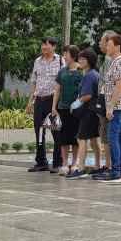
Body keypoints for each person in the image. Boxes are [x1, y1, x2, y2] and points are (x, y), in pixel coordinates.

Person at [25, 37, 62, 172]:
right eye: (42, 45)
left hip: (53, 100)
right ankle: (41, 162)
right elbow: (34, 82)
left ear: (53, 47)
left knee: (56, 131)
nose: (43, 47)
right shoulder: (37, 61)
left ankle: (58, 163)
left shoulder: (60, 60)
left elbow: (62, 81)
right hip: (39, 100)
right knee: (39, 131)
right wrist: (30, 101)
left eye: (46, 45)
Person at [98, 34, 121, 183]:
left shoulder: (118, 62)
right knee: (119, 138)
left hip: (117, 106)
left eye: (109, 45)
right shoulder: (117, 61)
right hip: (118, 105)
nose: (107, 47)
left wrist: (110, 106)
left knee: (113, 138)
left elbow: (119, 86)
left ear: (117, 46)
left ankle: (116, 170)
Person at [67, 48, 102, 180]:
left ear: (89, 61)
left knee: (82, 139)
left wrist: (76, 102)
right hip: (94, 112)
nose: (80, 61)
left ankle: (80, 168)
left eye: (83, 59)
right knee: (93, 140)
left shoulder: (88, 76)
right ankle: (97, 166)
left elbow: (87, 95)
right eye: (79, 58)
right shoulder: (94, 74)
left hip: (88, 112)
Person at [53, 45, 82, 175]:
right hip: (63, 108)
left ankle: (75, 163)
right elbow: (57, 89)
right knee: (63, 138)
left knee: (75, 138)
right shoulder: (62, 71)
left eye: (66, 54)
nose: (64, 57)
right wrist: (54, 107)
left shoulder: (81, 71)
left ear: (73, 56)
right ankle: (65, 164)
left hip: (76, 110)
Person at [92, 30, 116, 178]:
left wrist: (108, 104)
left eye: (102, 41)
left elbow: (110, 84)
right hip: (104, 101)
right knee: (105, 134)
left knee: (107, 135)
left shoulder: (111, 60)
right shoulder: (107, 59)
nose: (99, 43)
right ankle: (108, 165)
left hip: (107, 102)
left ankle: (109, 166)